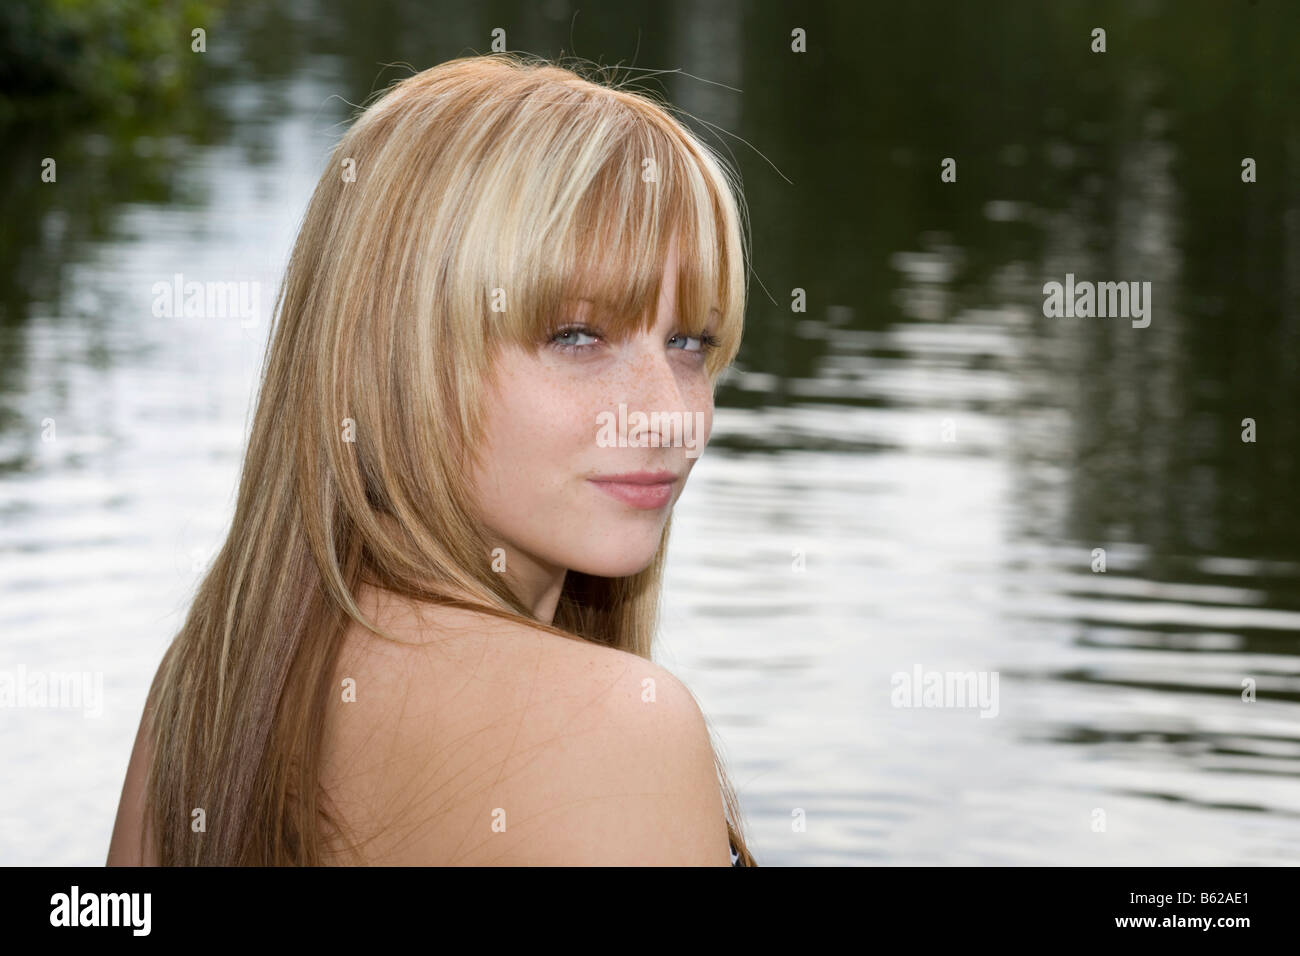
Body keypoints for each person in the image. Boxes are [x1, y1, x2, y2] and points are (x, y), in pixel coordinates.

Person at [106, 51, 755, 866]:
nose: (667, 416)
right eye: (578, 335)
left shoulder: (214, 679)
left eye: (690, 342)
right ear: (395, 354)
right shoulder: (619, 724)